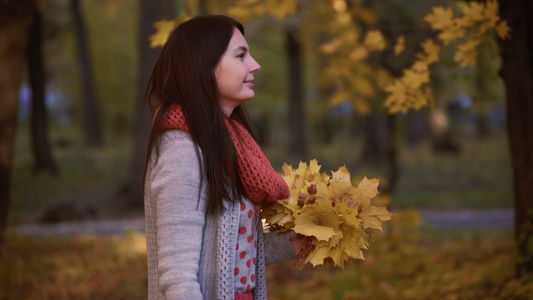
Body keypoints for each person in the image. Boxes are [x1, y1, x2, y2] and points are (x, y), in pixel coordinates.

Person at [143, 15, 303, 300]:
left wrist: (293, 240)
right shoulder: (182, 150)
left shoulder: (231, 145)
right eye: (241, 55)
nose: (255, 65)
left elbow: (228, 253)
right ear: (203, 66)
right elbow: (178, 279)